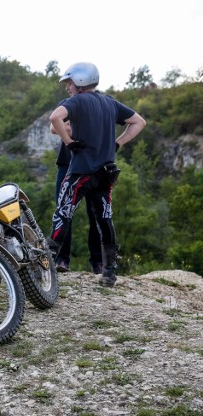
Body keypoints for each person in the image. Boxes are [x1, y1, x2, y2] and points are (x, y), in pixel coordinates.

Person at [48, 62, 146, 286]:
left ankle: (48, 263)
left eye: (70, 83)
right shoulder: (110, 102)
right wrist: (117, 144)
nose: (67, 87)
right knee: (104, 219)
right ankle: (109, 272)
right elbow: (139, 122)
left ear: (81, 81)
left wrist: (70, 143)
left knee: (63, 214)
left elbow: (54, 119)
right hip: (105, 173)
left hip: (80, 171)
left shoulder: (76, 101)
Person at [52, 125, 103, 274]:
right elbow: (54, 127)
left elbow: (104, 130)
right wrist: (86, 131)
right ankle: (62, 259)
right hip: (67, 165)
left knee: (96, 215)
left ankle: (98, 261)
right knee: (63, 213)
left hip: (95, 166)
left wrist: (69, 128)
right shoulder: (69, 103)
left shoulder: (104, 103)